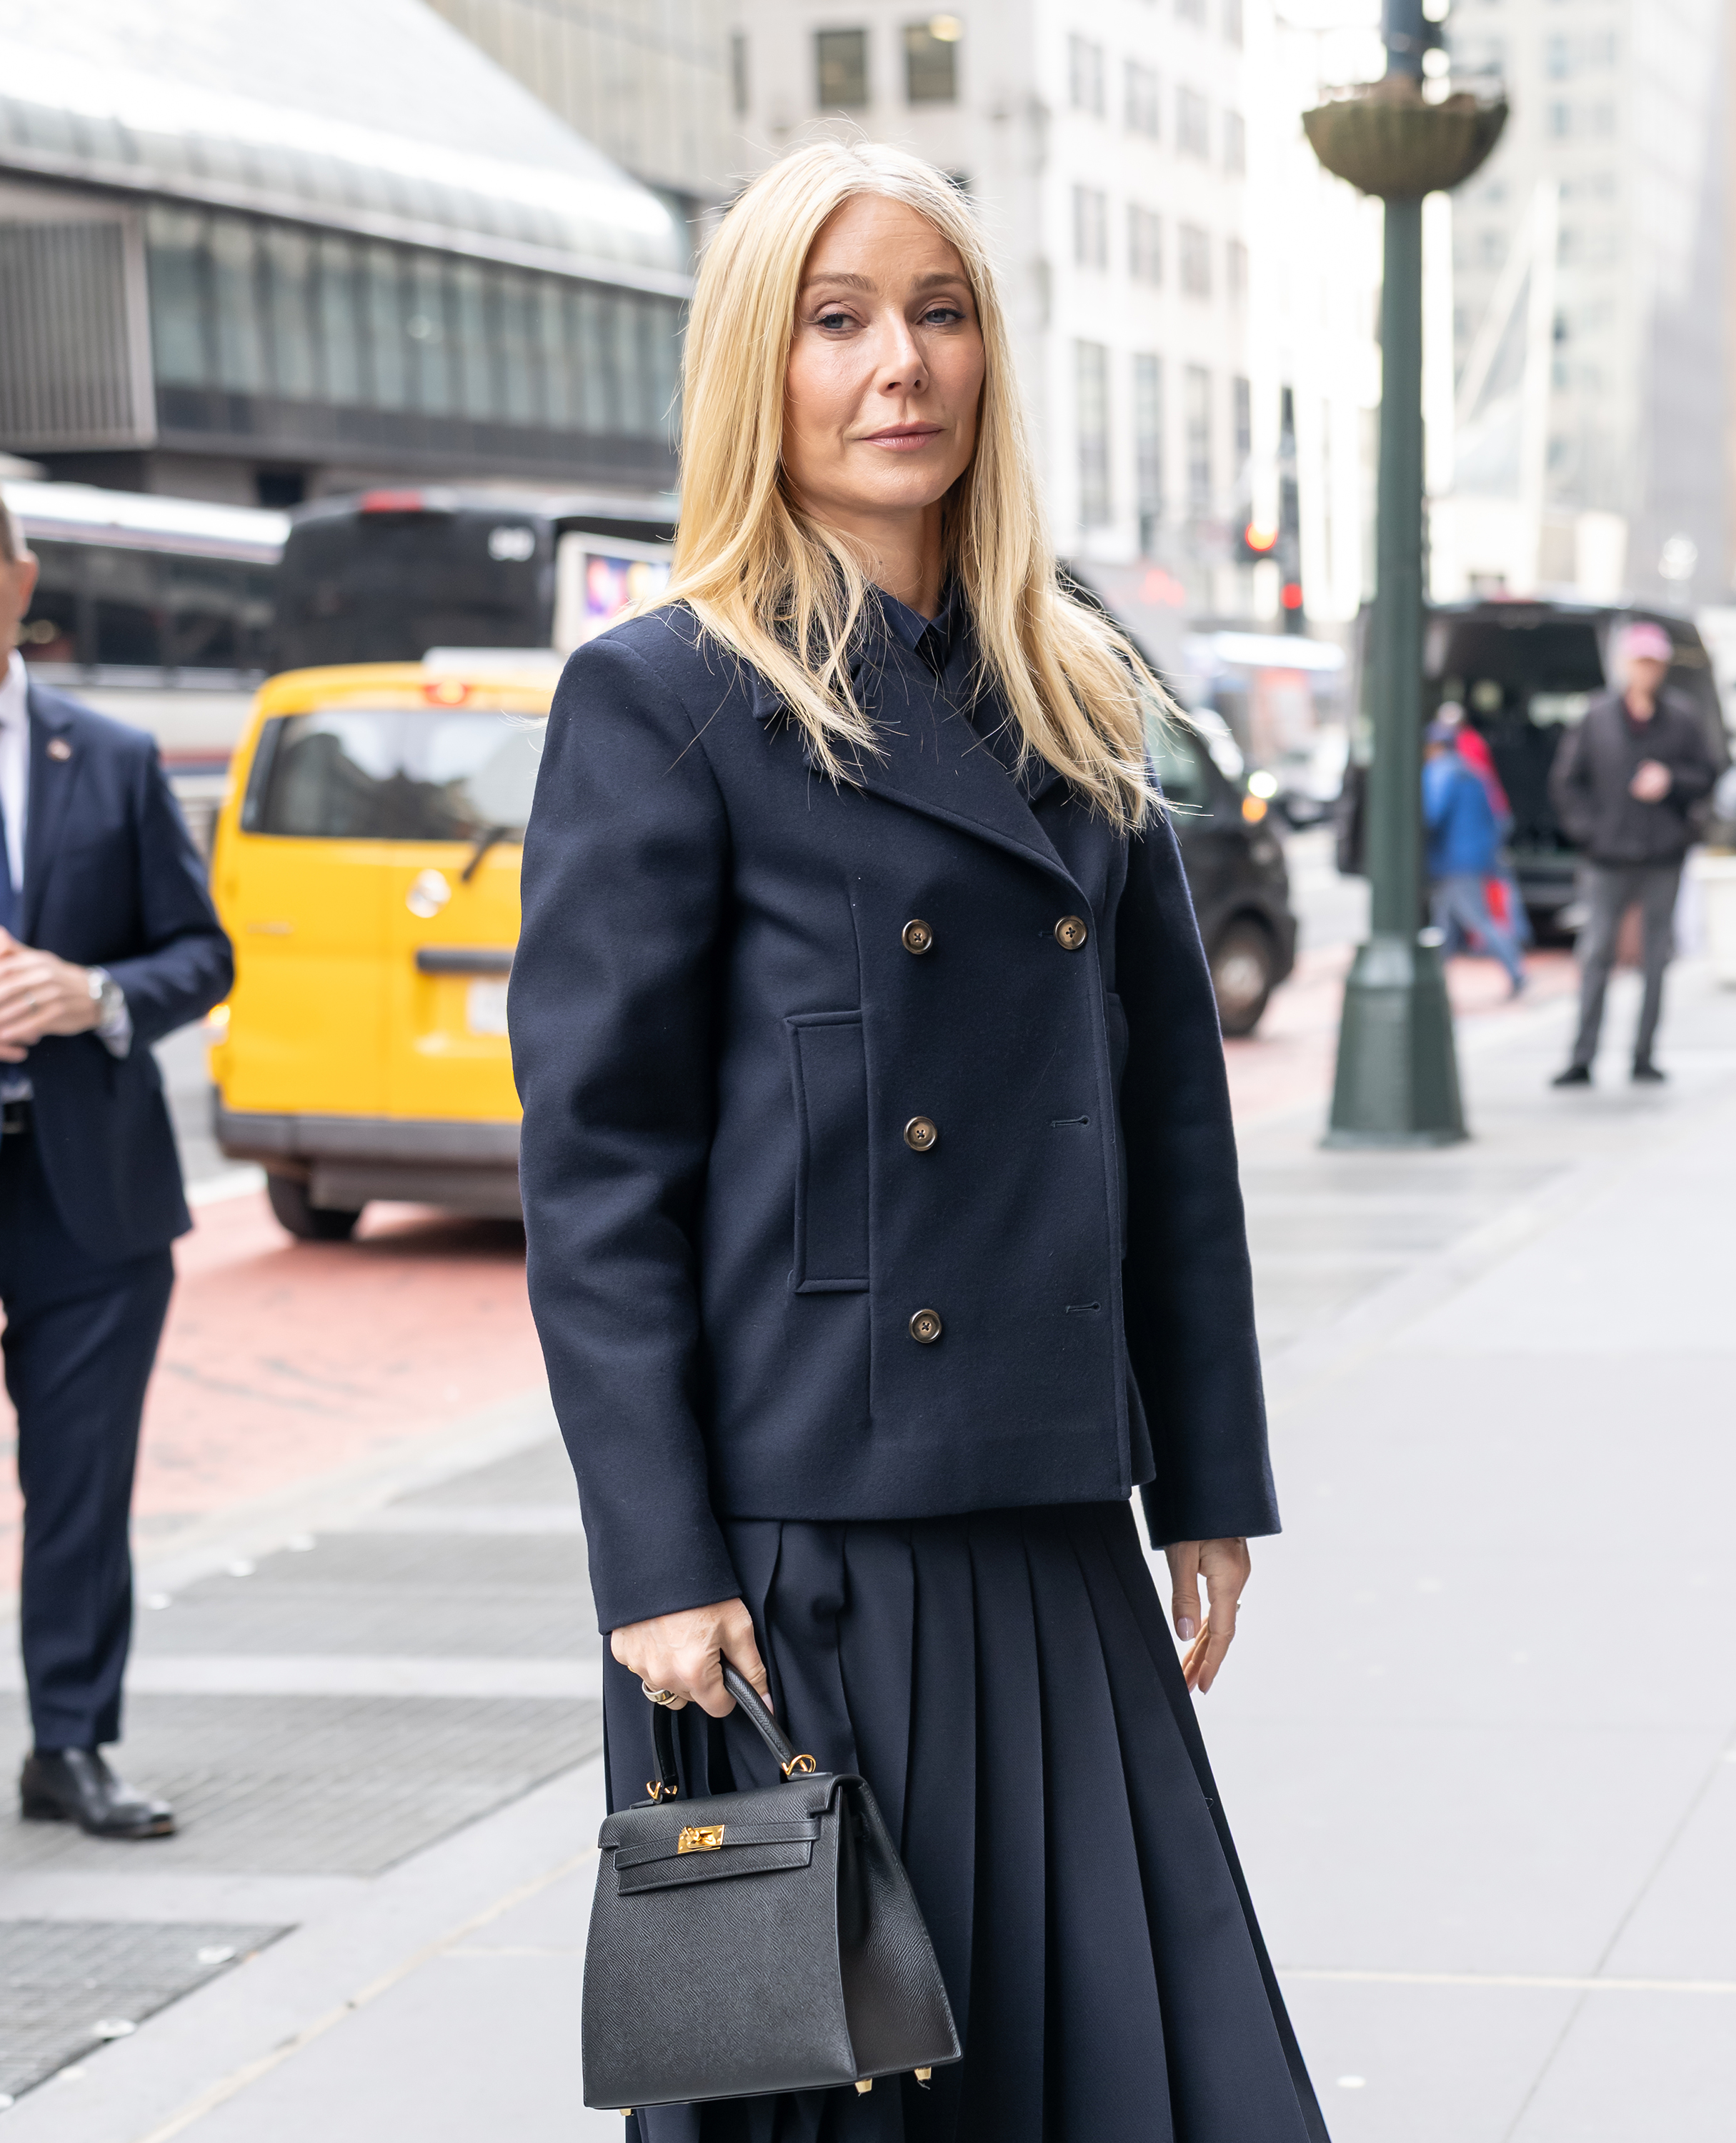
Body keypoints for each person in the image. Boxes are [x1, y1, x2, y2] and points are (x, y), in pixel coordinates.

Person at [512, 143, 1328, 2141]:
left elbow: (1158, 1127)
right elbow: (596, 1174)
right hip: (802, 1572)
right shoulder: (662, 700)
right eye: (841, 318)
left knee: (1124, 2080)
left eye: (940, 314)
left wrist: (1202, 1474)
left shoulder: (1072, 699)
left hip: (1048, 1527)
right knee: (848, 2101)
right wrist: (656, 1560)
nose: (902, 368)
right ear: (757, 369)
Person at [0, 491, 232, 1837]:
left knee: (81, 1482)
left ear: (20, 578)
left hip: (90, 1189)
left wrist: (93, 991)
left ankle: (71, 1746)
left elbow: (203, 954)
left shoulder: (119, 755)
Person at [1548, 619, 1716, 1085]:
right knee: (1597, 953)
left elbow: (1707, 773)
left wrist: (1671, 783)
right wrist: (1591, 833)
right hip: (1608, 856)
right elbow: (1568, 783)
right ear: (1626, 664)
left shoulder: (1681, 718)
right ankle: (1583, 1056)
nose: (1647, 672)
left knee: (1656, 957)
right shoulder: (1597, 717)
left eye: (1654, 664)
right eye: (1640, 662)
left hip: (1662, 855)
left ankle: (1644, 1054)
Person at [1422, 720, 1526, 994]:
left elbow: (1431, 815)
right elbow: (1497, 818)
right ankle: (1433, 983)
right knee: (1443, 925)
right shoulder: (1473, 771)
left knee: (1478, 921)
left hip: (1454, 862)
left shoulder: (1439, 772)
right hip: (1475, 857)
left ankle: (1516, 971)